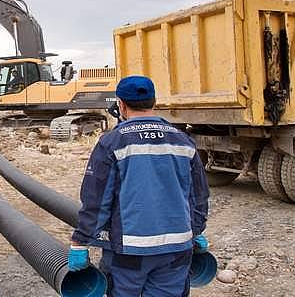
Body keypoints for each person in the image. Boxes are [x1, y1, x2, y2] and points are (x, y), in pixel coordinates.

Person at [68, 75, 210, 297]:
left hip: (129, 251)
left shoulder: (112, 142)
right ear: (154, 102)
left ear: (121, 105)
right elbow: (198, 195)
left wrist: (81, 241)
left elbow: (97, 199)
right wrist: (197, 229)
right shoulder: (182, 140)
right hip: (177, 249)